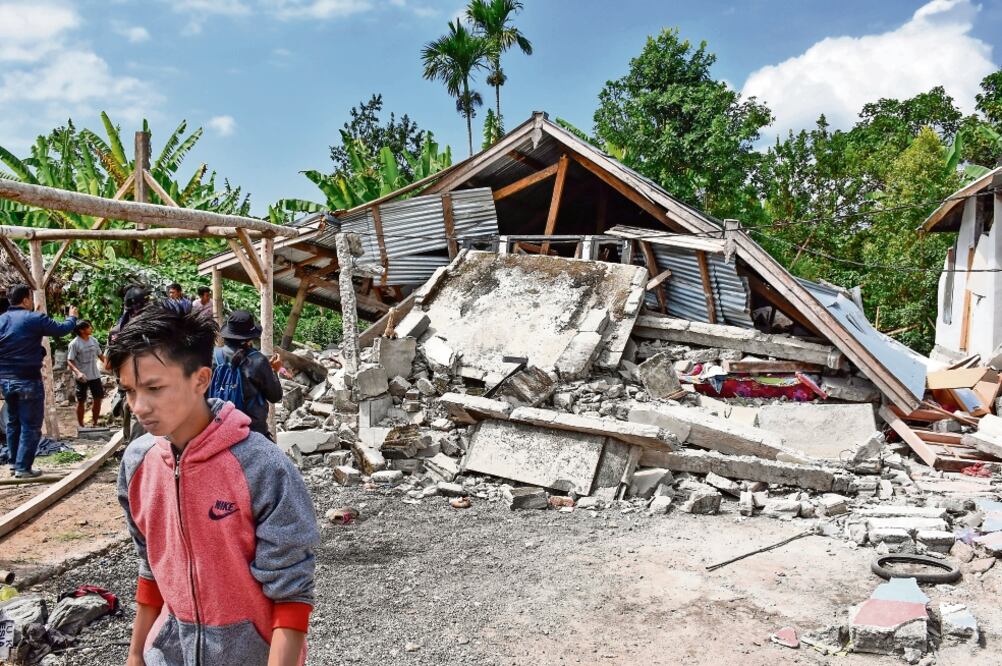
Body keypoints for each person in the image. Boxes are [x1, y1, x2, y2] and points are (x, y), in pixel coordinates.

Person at [108, 305, 317, 666]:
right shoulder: (137, 463)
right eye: (129, 391)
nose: (139, 406)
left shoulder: (264, 468)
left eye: (154, 388)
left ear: (201, 379)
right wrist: (135, 653)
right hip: (167, 653)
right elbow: (152, 566)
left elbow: (291, 595)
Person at [0, 283, 78, 478]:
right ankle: (23, 468)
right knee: (31, 425)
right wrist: (73, 317)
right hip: (28, 379)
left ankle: (13, 463)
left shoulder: (1, 320)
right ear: (26, 299)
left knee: (13, 422)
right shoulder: (34, 319)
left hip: (6, 380)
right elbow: (62, 329)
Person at [212, 310, 283, 440]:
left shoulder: (212, 357)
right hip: (252, 433)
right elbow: (275, 396)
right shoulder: (258, 361)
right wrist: (275, 371)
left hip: (216, 431)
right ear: (249, 338)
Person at [67, 320, 106, 428]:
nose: (91, 329)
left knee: (98, 398)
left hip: (95, 375)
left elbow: (100, 355)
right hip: (82, 377)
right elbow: (70, 360)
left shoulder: (93, 341)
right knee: (81, 401)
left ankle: (94, 423)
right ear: (82, 330)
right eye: (89, 327)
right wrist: (77, 372)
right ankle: (81, 425)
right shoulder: (74, 343)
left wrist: (109, 365)